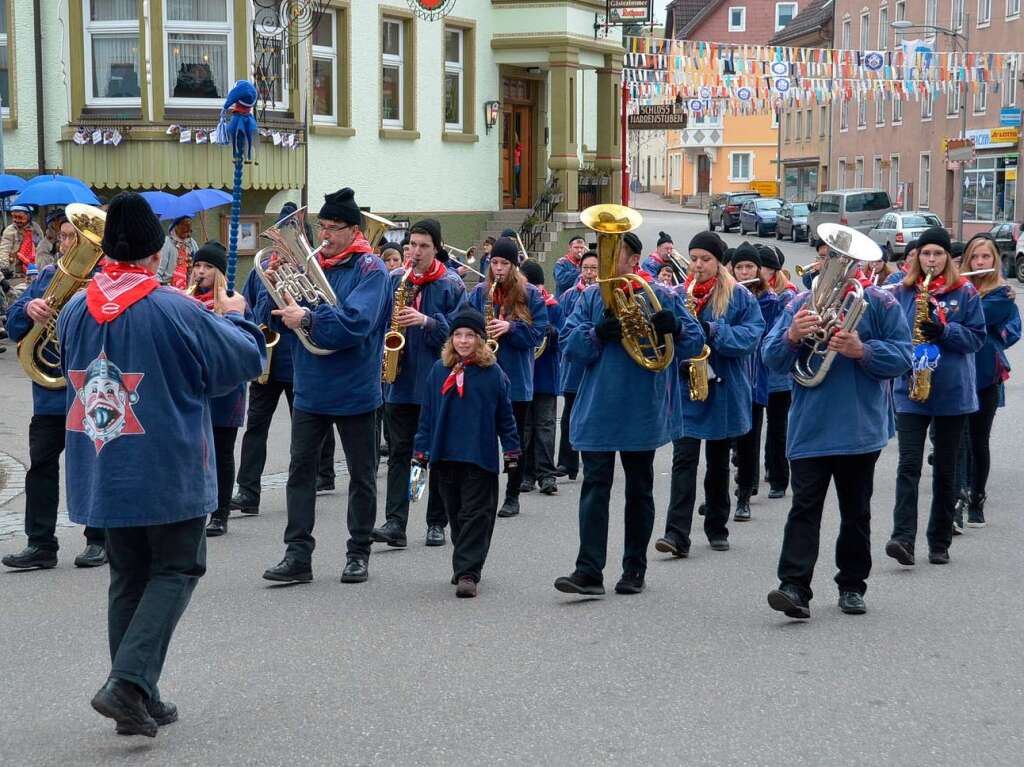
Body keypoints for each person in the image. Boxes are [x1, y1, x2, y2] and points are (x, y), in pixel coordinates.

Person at [57, 191, 264, 736]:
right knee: (177, 567)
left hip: (103, 463)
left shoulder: (76, 306)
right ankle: (127, 684)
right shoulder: (175, 306)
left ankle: (135, 696)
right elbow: (242, 362)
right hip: (167, 463)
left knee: (128, 575)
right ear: (154, 255)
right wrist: (236, 317)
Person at [762, 240, 912, 619]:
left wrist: (863, 350)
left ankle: (851, 585)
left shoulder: (879, 302)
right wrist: (792, 336)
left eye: (843, 258)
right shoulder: (798, 304)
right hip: (810, 427)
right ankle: (794, 587)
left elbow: (903, 357)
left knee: (856, 512)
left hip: (860, 427)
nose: (834, 264)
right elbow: (771, 360)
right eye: (829, 256)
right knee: (804, 508)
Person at [554, 230, 704, 596]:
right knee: (594, 488)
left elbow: (696, 342)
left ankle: (634, 568)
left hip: (642, 405)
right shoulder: (589, 297)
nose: (606, 263)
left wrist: (678, 326)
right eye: (602, 254)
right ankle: (588, 570)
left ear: (635, 260)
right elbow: (568, 346)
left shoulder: (663, 295)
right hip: (599, 406)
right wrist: (596, 334)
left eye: (614, 254)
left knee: (639, 488)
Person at [260, 188, 390, 585]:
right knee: (300, 473)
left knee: (362, 475)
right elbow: (273, 312)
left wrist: (310, 320)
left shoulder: (371, 269)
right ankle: (297, 554)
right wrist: (273, 286)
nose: (325, 236)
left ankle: (358, 553)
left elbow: (357, 323)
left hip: (355, 388)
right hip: (311, 387)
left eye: (334, 229)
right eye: (322, 228)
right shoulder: (308, 265)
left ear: (354, 230)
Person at [2, 218, 108, 571]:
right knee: (41, 466)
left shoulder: (106, 281)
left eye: (72, 237)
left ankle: (98, 539)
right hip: (51, 394)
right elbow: (16, 325)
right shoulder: (47, 278)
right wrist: (28, 309)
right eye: (63, 237)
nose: (65, 244)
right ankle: (40, 543)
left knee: (95, 466)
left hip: (92, 391)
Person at [655, 232, 764, 557]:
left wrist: (713, 331)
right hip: (686, 389)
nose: (698, 265)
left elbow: (750, 337)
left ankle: (717, 525)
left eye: (705, 259)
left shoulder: (740, 297)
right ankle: (676, 535)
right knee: (683, 461)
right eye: (695, 259)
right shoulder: (676, 294)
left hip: (723, 389)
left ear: (719, 263)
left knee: (717, 463)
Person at [886, 227, 985, 567]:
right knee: (909, 465)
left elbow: (976, 338)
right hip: (911, 389)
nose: (931, 260)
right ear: (917, 257)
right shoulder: (902, 292)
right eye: (926, 254)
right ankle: (902, 539)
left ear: (947, 258)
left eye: (938, 254)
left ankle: (939, 541)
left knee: (945, 468)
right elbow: (890, 333)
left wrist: (945, 331)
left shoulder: (966, 292)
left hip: (952, 392)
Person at [413, 308, 521, 597]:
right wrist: (420, 452)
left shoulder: (493, 373)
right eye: (458, 335)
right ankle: (464, 560)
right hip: (446, 454)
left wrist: (511, 450)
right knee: (457, 514)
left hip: (479, 455)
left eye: (470, 336)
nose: (463, 341)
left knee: (477, 515)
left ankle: (468, 572)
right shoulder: (439, 370)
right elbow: (428, 414)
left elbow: (505, 416)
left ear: (480, 340)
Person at [372, 219, 466, 549]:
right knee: (399, 453)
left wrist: (426, 321)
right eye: (411, 244)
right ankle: (396, 521)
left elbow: (462, 333)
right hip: (399, 380)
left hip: (435, 381)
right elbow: (379, 321)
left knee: (434, 454)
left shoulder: (451, 283)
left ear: (437, 248)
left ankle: (436, 521)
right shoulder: (396, 279)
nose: (415, 252)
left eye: (423, 246)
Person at [467, 236, 548, 518]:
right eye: (494, 263)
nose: (498, 268)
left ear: (514, 266)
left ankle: (512, 495)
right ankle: (484, 494)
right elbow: (464, 325)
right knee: (482, 438)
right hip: (483, 377)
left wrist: (510, 328)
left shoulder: (531, 295)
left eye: (503, 263)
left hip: (516, 380)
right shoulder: (479, 292)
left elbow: (539, 333)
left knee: (513, 442)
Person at [954, 235, 1020, 528]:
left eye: (986, 257)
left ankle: (977, 498)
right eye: (975, 258)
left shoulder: (1001, 296)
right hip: (956, 373)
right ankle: (958, 498)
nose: (980, 263)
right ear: (967, 260)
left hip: (985, 375)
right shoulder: (958, 288)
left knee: (978, 440)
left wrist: (950, 302)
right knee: (959, 439)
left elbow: (969, 316)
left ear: (994, 261)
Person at [185, 242, 249, 537]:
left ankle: (220, 513)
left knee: (222, 450)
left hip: (226, 387)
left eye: (208, 267)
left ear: (220, 272)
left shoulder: (234, 301)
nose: (201, 272)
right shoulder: (184, 300)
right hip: (194, 385)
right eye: (198, 266)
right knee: (195, 451)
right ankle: (197, 507)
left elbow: (242, 341)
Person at [730, 243, 780, 521]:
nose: (745, 271)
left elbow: (768, 338)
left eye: (749, 266)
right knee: (726, 441)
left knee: (749, 439)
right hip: (728, 377)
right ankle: (718, 498)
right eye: (740, 267)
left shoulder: (770, 301)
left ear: (758, 270)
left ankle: (743, 497)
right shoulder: (724, 295)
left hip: (755, 378)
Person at [518, 259, 562, 496]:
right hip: (524, 374)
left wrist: (551, 333)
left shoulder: (552, 306)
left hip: (545, 374)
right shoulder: (518, 305)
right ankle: (526, 474)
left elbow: (562, 336)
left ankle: (546, 474)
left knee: (545, 426)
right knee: (525, 427)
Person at [555, 249, 599, 481]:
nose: (590, 273)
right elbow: (564, 328)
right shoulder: (570, 295)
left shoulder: (604, 295)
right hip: (574, 365)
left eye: (594, 269)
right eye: (586, 269)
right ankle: (567, 462)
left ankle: (593, 457)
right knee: (569, 415)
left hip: (594, 365)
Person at [757, 244, 796, 497]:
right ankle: (750, 475)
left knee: (777, 427)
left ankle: (779, 478)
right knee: (751, 427)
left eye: (761, 267)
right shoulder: (749, 291)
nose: (756, 272)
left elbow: (776, 332)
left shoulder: (785, 296)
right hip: (755, 371)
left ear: (773, 270)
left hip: (779, 375)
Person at [1, 204, 43, 276]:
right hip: (16, 270)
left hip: (34, 268)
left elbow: (41, 245)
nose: (17, 220)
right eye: (14, 217)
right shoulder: (9, 231)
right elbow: (4, 250)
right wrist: (4, 267)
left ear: (29, 216)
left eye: (20, 217)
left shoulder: (35, 228)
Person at [157, 215, 198, 288]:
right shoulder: (167, 242)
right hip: (169, 287)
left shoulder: (192, 243)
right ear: (175, 226)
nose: (187, 231)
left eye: (189, 227)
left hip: (189, 286)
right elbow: (159, 271)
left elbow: (198, 263)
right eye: (184, 226)